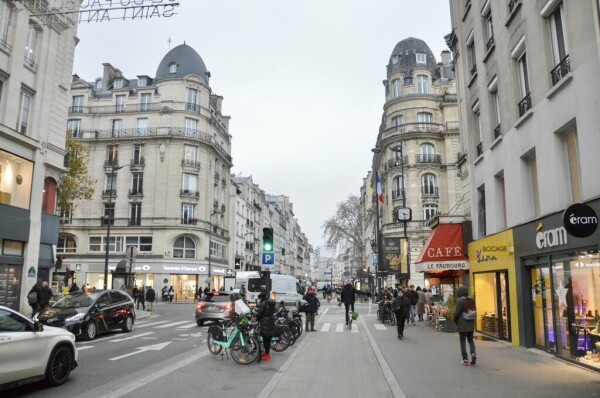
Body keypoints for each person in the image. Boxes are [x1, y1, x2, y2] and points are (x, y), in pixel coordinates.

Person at [454, 286, 477, 366]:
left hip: (462, 324)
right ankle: (473, 353)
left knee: (462, 342)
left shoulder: (459, 300)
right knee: (471, 340)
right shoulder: (471, 299)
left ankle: (465, 359)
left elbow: (456, 312)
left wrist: (455, 320)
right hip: (471, 323)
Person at [255, 295, 276, 361]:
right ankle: (267, 353)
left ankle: (267, 355)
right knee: (268, 340)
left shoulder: (264, 303)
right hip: (270, 322)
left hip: (265, 323)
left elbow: (260, 313)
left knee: (265, 340)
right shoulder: (272, 305)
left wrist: (256, 317)